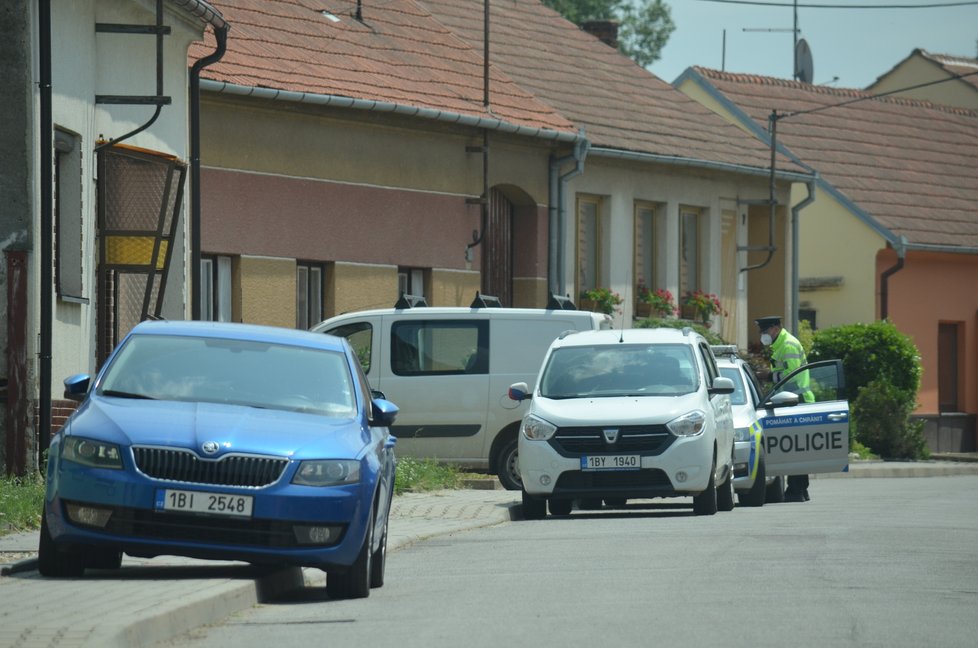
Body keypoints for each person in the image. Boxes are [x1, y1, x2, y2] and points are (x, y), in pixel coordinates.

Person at [755, 315, 814, 502]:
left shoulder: (787, 345)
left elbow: (792, 375)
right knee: (798, 448)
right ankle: (801, 490)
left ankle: (796, 490)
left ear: (775, 328)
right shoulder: (781, 344)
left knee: (796, 449)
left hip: (797, 400)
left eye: (764, 331)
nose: (762, 335)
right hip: (791, 400)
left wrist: (768, 376)